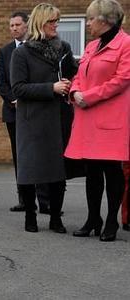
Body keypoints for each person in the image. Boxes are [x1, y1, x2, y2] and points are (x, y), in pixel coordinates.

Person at [10, 3, 78, 233]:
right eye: (52, 21)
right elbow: (18, 88)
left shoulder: (65, 48)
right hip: (32, 121)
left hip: (59, 118)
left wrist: (71, 84)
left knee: (58, 170)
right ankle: (30, 215)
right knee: (30, 170)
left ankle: (55, 218)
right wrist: (51, 87)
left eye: (57, 21)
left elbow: (74, 74)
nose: (56, 25)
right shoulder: (22, 53)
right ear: (40, 23)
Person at [66, 0, 130, 242]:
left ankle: (111, 220)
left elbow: (121, 80)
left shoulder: (126, 44)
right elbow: (79, 74)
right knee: (91, 171)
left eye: (90, 18)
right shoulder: (92, 45)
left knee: (112, 171)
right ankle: (94, 218)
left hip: (110, 120)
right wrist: (74, 92)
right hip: (86, 118)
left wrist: (88, 97)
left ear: (105, 20)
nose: (89, 23)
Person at [0, 12, 53, 214]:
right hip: (14, 112)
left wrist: (28, 98)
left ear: (27, 26)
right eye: (11, 25)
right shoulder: (5, 51)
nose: (14, 28)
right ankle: (24, 199)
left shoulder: (37, 49)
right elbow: (1, 82)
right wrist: (14, 99)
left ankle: (46, 201)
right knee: (20, 156)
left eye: (17, 24)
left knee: (41, 154)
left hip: (36, 110)